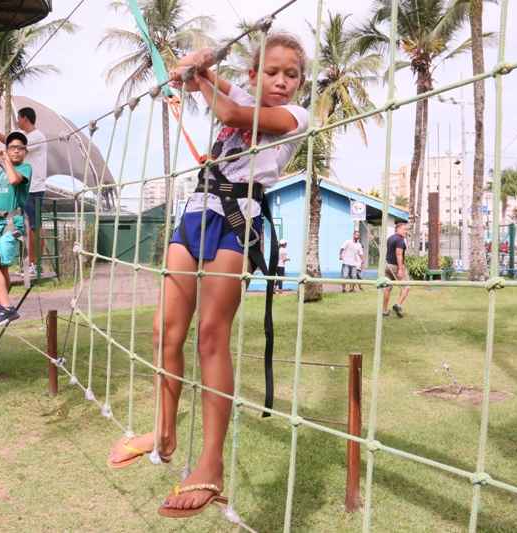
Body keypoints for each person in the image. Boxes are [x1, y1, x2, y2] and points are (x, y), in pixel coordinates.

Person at [106, 34, 308, 518]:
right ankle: (164, 430)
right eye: (271, 71)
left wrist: (200, 72)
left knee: (211, 337)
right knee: (164, 331)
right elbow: (198, 77)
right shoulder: (237, 91)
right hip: (196, 211)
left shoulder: (294, 118)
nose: (281, 82)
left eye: (291, 74)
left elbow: (231, 116)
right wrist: (194, 67)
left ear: (300, 83)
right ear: (252, 74)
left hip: (238, 218)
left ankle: (211, 464)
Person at [0, 107, 47, 276]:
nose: (18, 121)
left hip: (34, 188)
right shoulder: (28, 140)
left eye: (19, 118)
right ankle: (25, 262)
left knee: (34, 227)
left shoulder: (37, 137)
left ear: (25, 118)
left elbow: (12, 143)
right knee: (26, 226)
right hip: (24, 189)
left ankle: (34, 264)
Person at [0, 132, 32, 328]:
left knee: (0, 265)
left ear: (25, 152)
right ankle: (4, 306)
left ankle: (5, 307)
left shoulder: (25, 169)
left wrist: (5, 160)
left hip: (12, 222)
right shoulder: (3, 169)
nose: (16, 150)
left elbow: (14, 180)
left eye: (20, 148)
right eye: (12, 147)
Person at [383, 221, 410, 318]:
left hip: (387, 266)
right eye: (404, 229)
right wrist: (400, 269)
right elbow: (398, 254)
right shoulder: (400, 240)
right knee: (406, 287)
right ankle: (398, 305)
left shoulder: (390, 238)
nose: (405, 231)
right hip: (395, 266)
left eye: (406, 230)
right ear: (397, 229)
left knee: (387, 288)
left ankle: (384, 310)